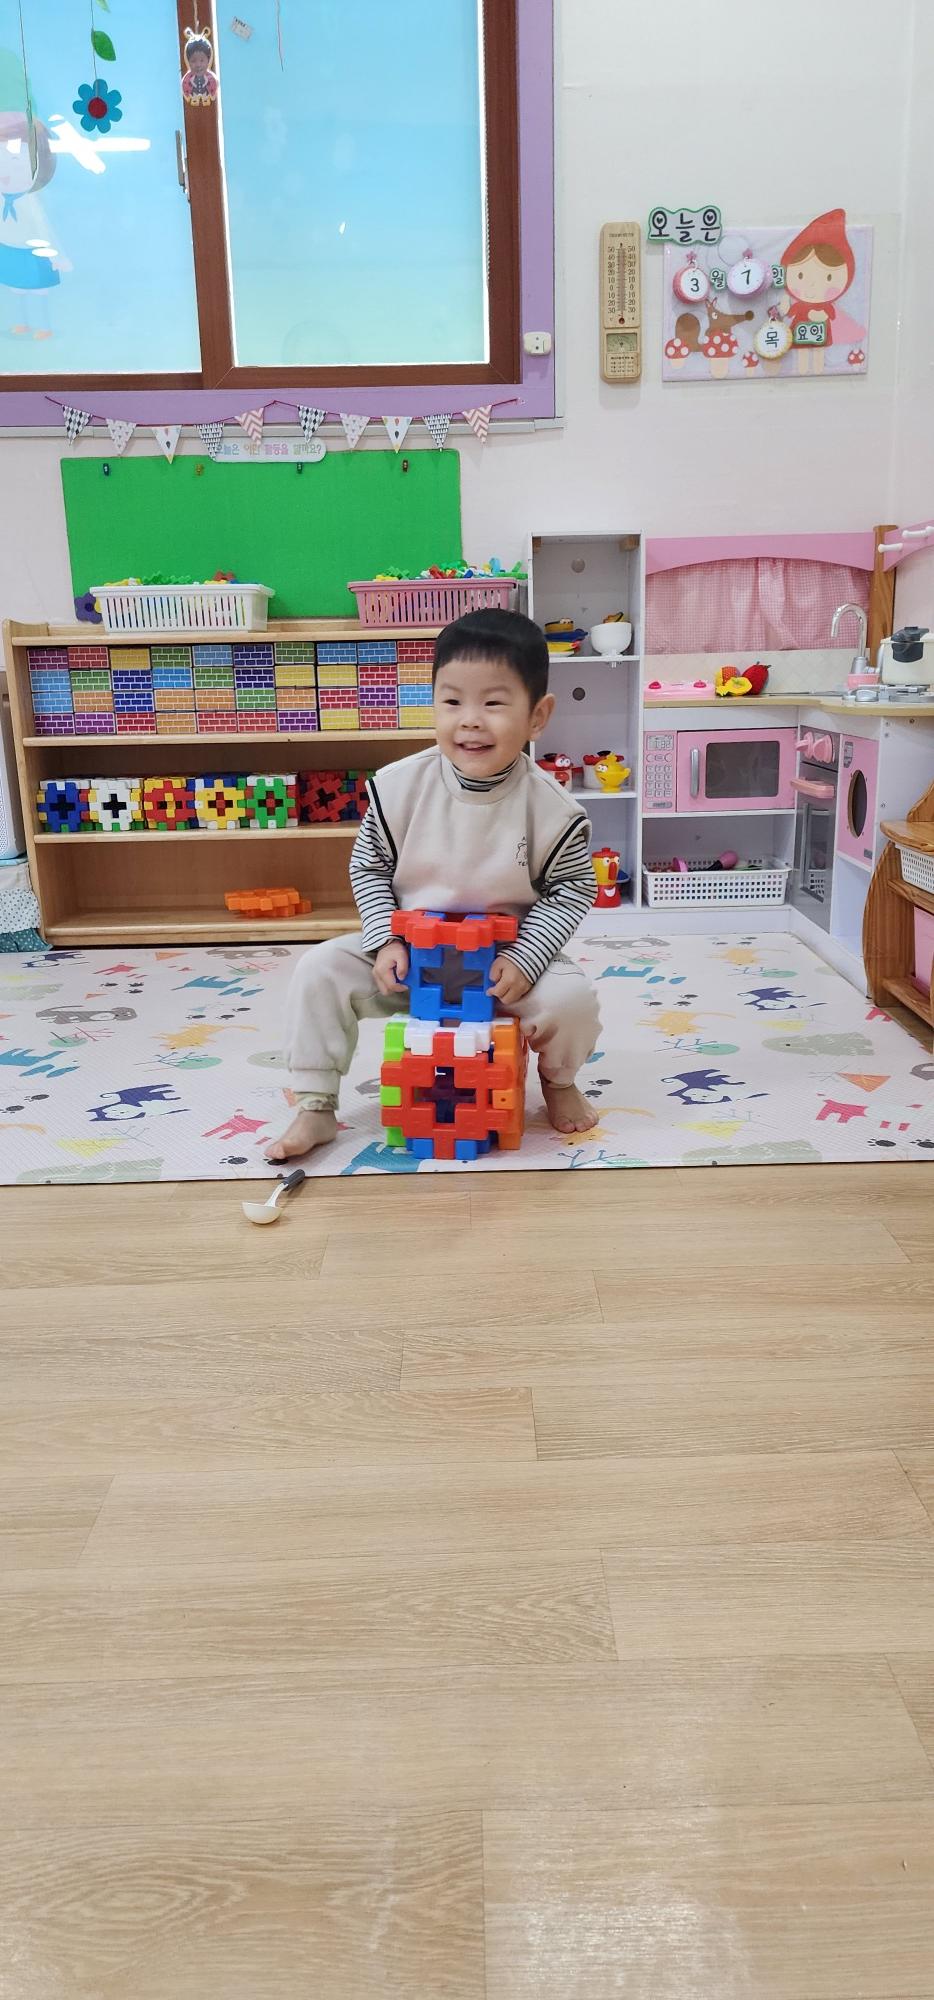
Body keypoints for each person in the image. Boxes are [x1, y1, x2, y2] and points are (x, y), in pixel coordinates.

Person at [267, 608, 601, 1160]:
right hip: (411, 961)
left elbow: (572, 890)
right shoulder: (397, 787)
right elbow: (369, 866)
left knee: (572, 1000)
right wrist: (385, 940)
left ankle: (559, 1082)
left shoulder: (553, 809)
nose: (470, 721)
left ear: (537, 716)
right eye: (452, 701)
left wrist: (525, 958)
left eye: (493, 703)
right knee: (319, 968)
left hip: (503, 969)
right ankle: (316, 1105)